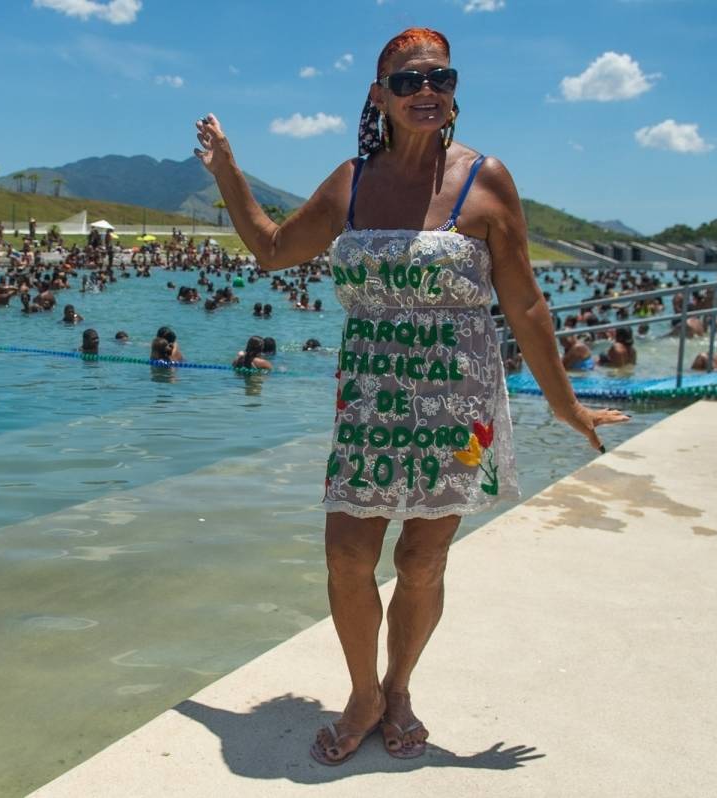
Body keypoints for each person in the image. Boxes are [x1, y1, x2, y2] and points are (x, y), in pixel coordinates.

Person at [195, 26, 629, 766]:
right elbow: (271, 249)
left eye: (441, 78)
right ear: (379, 96)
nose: (426, 90)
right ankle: (362, 694)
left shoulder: (485, 180)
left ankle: (398, 689)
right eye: (408, 80)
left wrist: (565, 404)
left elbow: (524, 305)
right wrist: (229, 171)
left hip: (459, 404)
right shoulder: (351, 183)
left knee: (423, 560)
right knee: (345, 554)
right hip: (370, 399)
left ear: (454, 91)